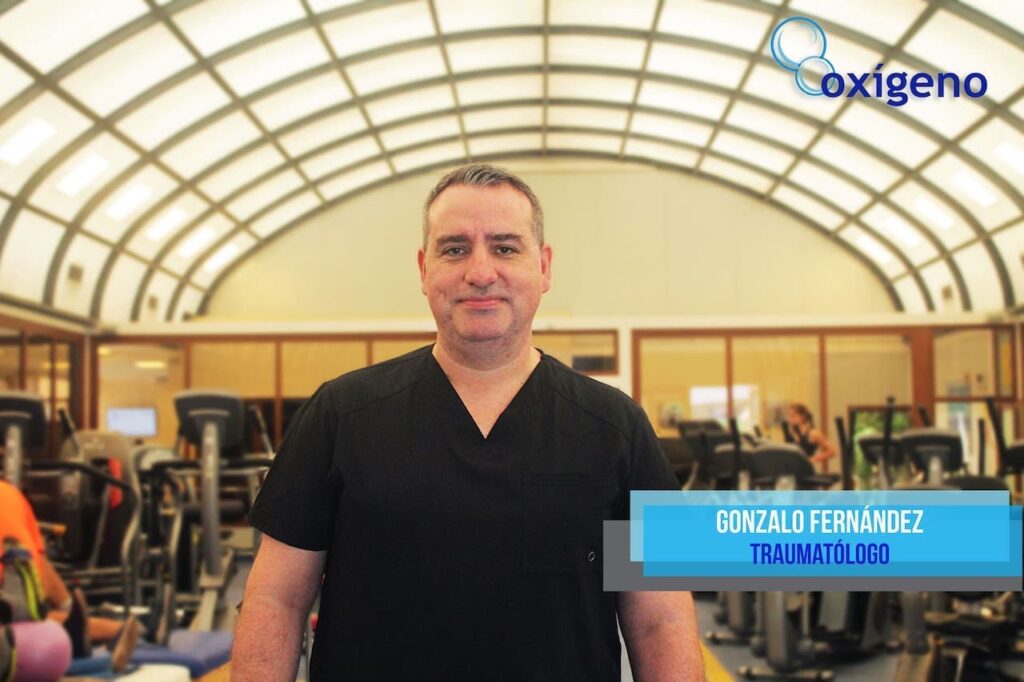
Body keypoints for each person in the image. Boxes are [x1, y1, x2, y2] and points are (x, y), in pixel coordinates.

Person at [232, 164, 703, 681]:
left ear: (544, 267)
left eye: (505, 247)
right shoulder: (338, 415)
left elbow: (661, 618)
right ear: (424, 269)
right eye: (455, 249)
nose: (480, 272)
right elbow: (276, 599)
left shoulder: (618, 427)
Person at [0, 478, 139, 671]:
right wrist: (69, 608)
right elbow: (41, 565)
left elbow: (40, 566)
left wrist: (73, 614)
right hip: (20, 611)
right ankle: (100, 629)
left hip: (17, 613)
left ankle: (84, 628)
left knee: (24, 617)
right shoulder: (10, 492)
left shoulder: (9, 495)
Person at [785, 403, 837, 468]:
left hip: (805, 468)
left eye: (793, 416)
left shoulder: (813, 433)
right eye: (789, 416)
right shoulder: (792, 433)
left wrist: (813, 459)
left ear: (802, 416)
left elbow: (832, 451)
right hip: (792, 468)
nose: (789, 419)